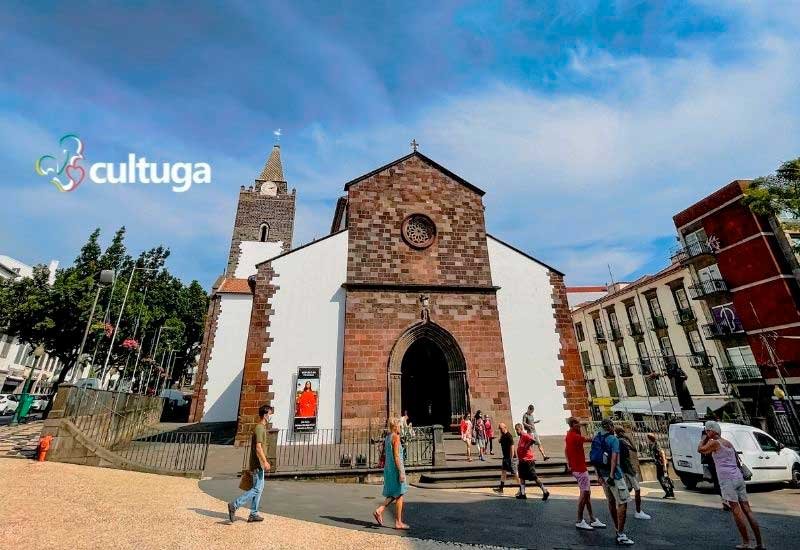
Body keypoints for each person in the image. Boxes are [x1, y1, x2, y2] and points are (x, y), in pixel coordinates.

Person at [698, 421, 764, 550]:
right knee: (747, 510)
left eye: (707, 430)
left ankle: (746, 543)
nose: (706, 433)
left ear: (712, 431)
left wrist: (704, 439)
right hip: (738, 477)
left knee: (736, 511)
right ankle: (760, 543)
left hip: (727, 479)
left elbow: (700, 449)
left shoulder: (714, 443)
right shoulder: (728, 443)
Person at [228, 404, 273, 523]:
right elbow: (258, 447)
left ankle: (253, 513)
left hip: (259, 464)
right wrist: (265, 461)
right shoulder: (259, 428)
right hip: (257, 464)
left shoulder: (262, 428)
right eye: (270, 414)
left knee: (258, 488)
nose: (271, 416)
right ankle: (235, 505)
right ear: (265, 415)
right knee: (257, 489)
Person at [593, 418, 633, 545]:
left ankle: (617, 528)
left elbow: (593, 458)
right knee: (623, 503)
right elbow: (614, 459)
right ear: (610, 427)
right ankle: (621, 534)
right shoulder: (613, 439)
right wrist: (611, 475)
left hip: (602, 476)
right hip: (614, 476)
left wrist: (598, 475)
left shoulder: (596, 438)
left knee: (611, 501)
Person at [565, 417, 606, 531]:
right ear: (573, 425)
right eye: (578, 424)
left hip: (576, 468)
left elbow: (566, 450)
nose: (580, 425)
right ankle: (579, 520)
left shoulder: (568, 435)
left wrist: (569, 463)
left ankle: (592, 518)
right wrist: (601, 435)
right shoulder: (576, 437)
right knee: (584, 493)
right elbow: (590, 439)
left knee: (587, 493)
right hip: (580, 469)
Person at [373, 417, 410, 530]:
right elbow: (397, 456)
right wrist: (401, 472)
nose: (401, 427)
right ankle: (398, 522)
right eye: (399, 425)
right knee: (399, 494)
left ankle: (380, 510)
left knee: (395, 493)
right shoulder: (396, 437)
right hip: (395, 468)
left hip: (388, 468)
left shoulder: (388, 437)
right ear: (395, 426)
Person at [615, 426, 651, 520]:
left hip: (622, 469)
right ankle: (638, 511)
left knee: (626, 491)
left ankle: (621, 510)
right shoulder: (622, 441)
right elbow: (634, 449)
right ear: (621, 432)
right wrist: (628, 438)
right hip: (628, 469)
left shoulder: (616, 441)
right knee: (637, 489)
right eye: (623, 432)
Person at [514, 423, 550, 500]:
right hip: (522, 461)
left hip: (528, 461)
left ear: (521, 429)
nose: (516, 431)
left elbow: (532, 440)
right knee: (522, 477)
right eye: (515, 430)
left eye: (517, 430)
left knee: (534, 477)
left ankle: (545, 491)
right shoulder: (521, 437)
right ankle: (523, 494)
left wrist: (526, 447)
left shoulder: (525, 435)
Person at [646, 433, 674, 499]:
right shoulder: (651, 445)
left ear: (650, 439)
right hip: (659, 464)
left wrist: (664, 466)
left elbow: (663, 455)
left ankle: (669, 492)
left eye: (647, 438)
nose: (646, 440)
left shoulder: (656, 445)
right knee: (662, 477)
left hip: (662, 464)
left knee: (663, 478)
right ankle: (669, 492)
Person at [493, 422, 517, 494]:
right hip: (505, 457)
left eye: (501, 428)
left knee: (515, 473)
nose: (500, 430)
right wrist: (500, 440)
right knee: (503, 472)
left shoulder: (509, 436)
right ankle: (501, 488)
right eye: (499, 429)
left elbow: (512, 447)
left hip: (510, 457)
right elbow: (501, 441)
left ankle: (522, 488)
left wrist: (511, 458)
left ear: (505, 427)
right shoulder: (503, 435)